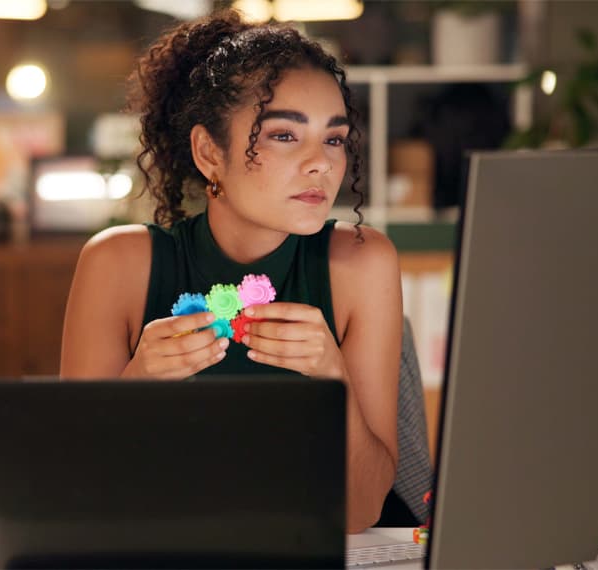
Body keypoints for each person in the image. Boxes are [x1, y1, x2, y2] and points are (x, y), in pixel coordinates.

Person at [60, 9, 403, 533]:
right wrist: (136, 384)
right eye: (285, 136)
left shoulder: (362, 263)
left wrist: (334, 378)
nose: (321, 163)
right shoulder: (117, 265)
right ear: (208, 152)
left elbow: (360, 512)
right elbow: (72, 498)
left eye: (334, 138)